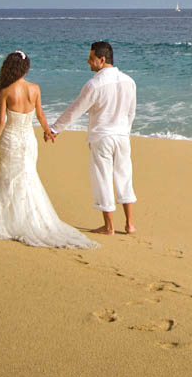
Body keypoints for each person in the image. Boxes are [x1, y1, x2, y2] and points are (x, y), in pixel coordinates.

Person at [0, 50, 97, 249]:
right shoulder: (34, 88)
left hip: (11, 138)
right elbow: (41, 115)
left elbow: (1, 119)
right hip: (28, 139)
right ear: (26, 68)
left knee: (8, 178)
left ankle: (9, 223)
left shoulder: (6, 91)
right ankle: (28, 219)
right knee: (28, 175)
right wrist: (48, 132)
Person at [46, 41, 137, 235]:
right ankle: (130, 224)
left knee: (102, 179)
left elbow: (76, 109)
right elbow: (131, 113)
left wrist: (55, 128)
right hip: (122, 136)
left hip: (102, 136)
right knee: (125, 177)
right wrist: (125, 132)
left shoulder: (95, 84)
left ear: (102, 60)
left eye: (91, 58)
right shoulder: (130, 81)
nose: (88, 61)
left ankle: (109, 226)